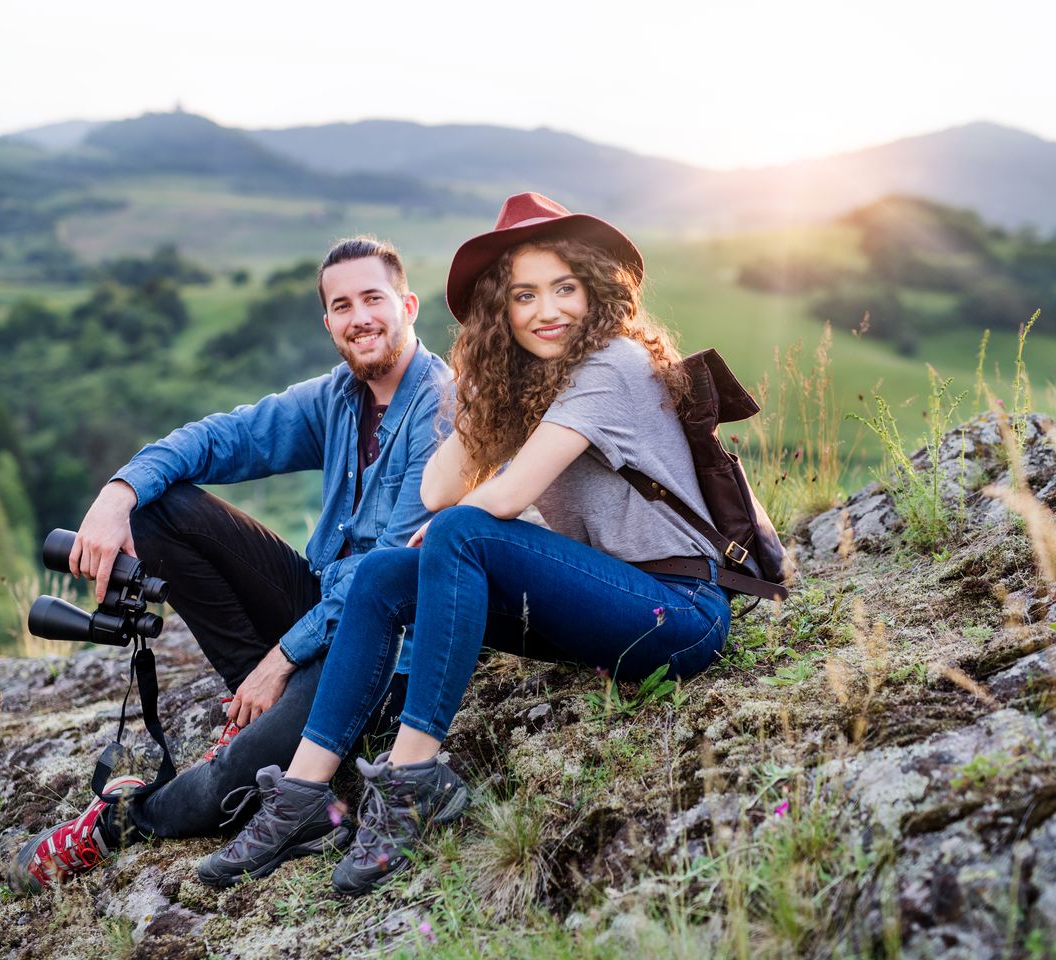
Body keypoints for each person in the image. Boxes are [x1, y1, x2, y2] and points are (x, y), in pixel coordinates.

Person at [196, 192, 732, 894]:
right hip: (610, 606)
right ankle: (302, 799)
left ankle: (415, 779)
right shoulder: (541, 384)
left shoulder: (613, 366)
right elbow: (438, 488)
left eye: (564, 289)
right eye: (524, 296)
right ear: (501, 311)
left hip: (679, 615)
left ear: (595, 291)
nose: (547, 311)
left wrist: (453, 527)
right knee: (387, 574)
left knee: (460, 533)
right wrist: (482, 384)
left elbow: (494, 501)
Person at [7, 236, 452, 893]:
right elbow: (225, 435)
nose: (359, 316)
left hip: (390, 646)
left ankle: (120, 822)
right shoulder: (338, 397)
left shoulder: (439, 408)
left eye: (373, 299)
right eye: (341, 305)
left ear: (407, 305)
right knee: (161, 508)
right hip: (322, 608)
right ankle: (263, 713)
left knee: (228, 785)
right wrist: (118, 492)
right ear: (327, 322)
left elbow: (388, 569)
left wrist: (282, 658)